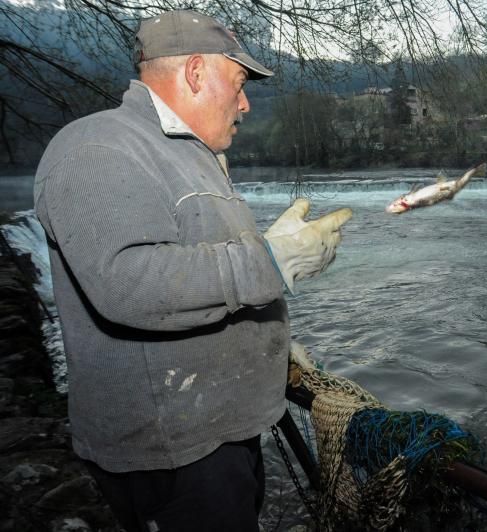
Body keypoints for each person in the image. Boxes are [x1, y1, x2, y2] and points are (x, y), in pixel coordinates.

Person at [33, 9, 351, 532]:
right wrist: (270, 262)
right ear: (197, 73)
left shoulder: (193, 155)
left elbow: (204, 268)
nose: (245, 103)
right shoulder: (97, 147)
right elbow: (127, 284)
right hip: (171, 451)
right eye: (240, 82)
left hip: (217, 429)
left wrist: (264, 336)